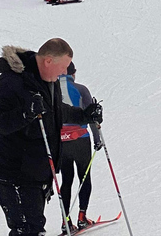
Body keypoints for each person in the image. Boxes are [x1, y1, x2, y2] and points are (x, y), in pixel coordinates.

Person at [0, 39, 103, 236]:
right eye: (63, 66)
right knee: (28, 230)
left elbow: (57, 112)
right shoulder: (10, 82)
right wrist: (26, 113)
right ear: (48, 61)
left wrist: (84, 114)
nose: (64, 73)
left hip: (35, 171)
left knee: (33, 227)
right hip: (12, 172)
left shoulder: (49, 82)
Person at [59, 62, 101, 232]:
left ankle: (65, 221)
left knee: (66, 180)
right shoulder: (81, 89)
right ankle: (82, 216)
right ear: (73, 73)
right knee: (84, 177)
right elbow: (91, 116)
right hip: (80, 139)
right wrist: (97, 139)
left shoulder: (52, 90)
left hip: (62, 141)